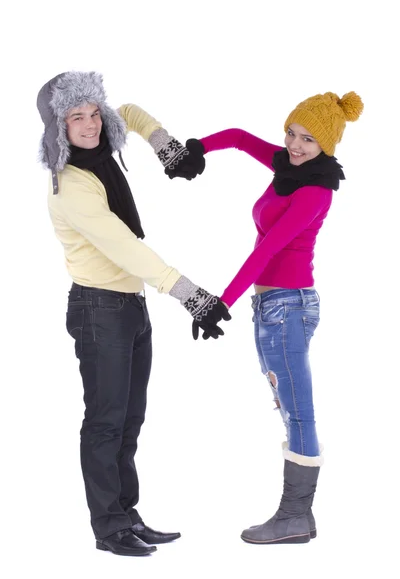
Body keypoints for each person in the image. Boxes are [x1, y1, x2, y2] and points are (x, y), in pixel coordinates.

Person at [36, 71, 231, 557]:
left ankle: (126, 513)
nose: (90, 124)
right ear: (59, 128)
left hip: (129, 307)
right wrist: (191, 295)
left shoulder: (102, 148)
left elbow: (135, 114)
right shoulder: (72, 186)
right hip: (98, 310)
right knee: (105, 421)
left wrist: (167, 147)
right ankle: (108, 527)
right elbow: (125, 248)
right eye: (75, 117)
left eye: (93, 112)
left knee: (129, 421)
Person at [173, 91, 363, 545]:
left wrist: (221, 301)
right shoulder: (287, 166)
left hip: (287, 307)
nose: (295, 146)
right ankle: (298, 517)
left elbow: (268, 249)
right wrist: (198, 147)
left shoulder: (315, 190)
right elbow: (239, 138)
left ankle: (295, 516)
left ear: (327, 146)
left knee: (299, 415)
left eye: (308, 140)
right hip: (273, 308)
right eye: (292, 134)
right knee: (291, 411)